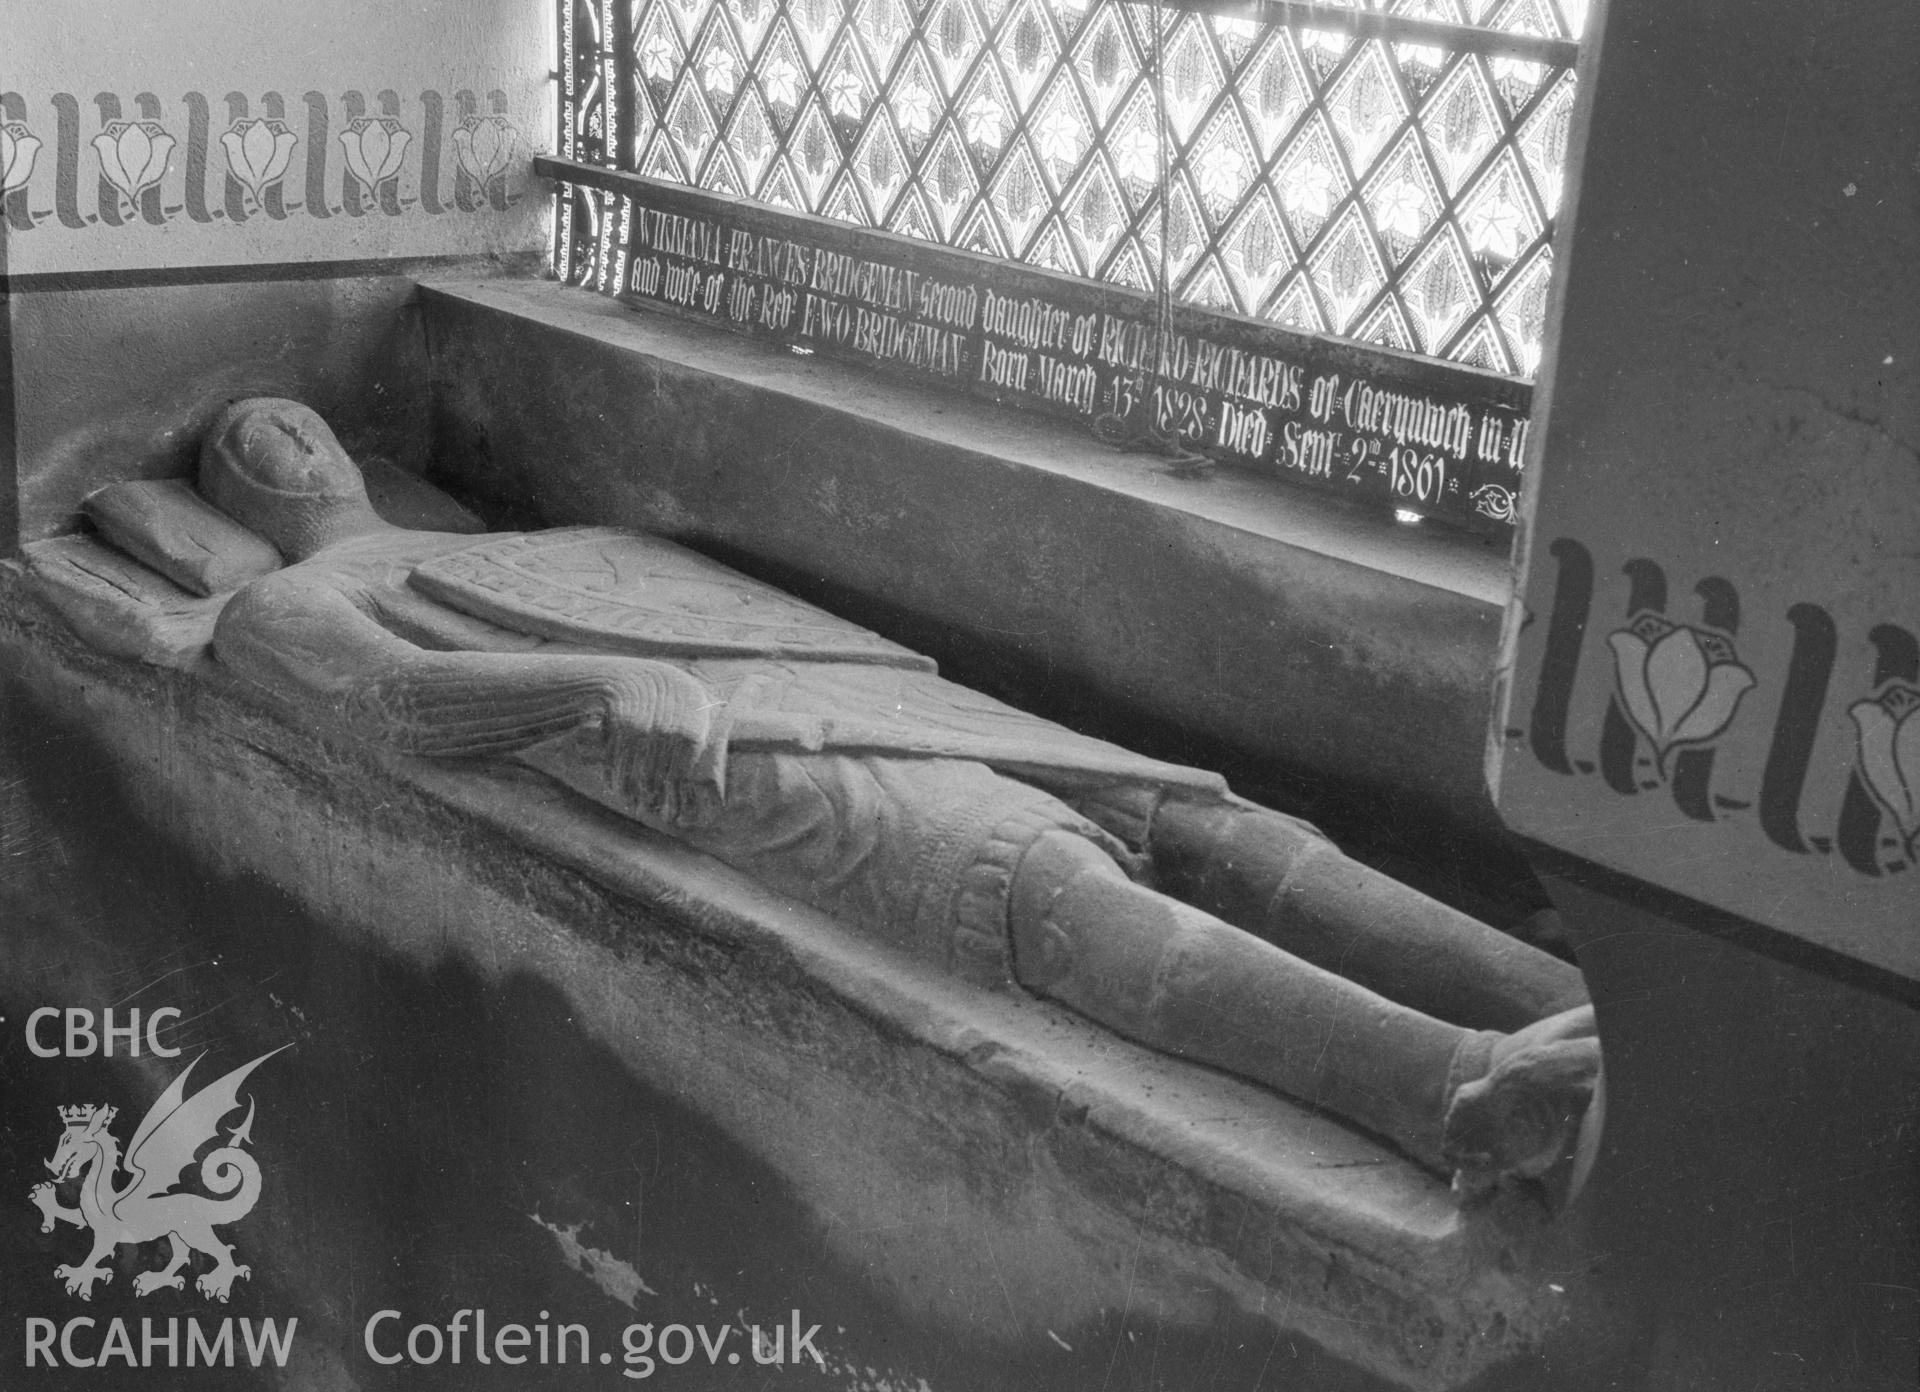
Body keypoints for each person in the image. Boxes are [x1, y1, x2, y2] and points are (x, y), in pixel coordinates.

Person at [172, 398, 1598, 1195]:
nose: (287, 442)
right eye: (251, 445)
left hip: (847, 690)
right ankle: (1455, 1092)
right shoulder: (284, 604)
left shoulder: (542, 539)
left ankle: (1546, 992)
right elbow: (391, 708)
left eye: (292, 419)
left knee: (1195, 820)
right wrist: (589, 690)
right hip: (723, 762)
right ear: (236, 504)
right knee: (1048, 891)